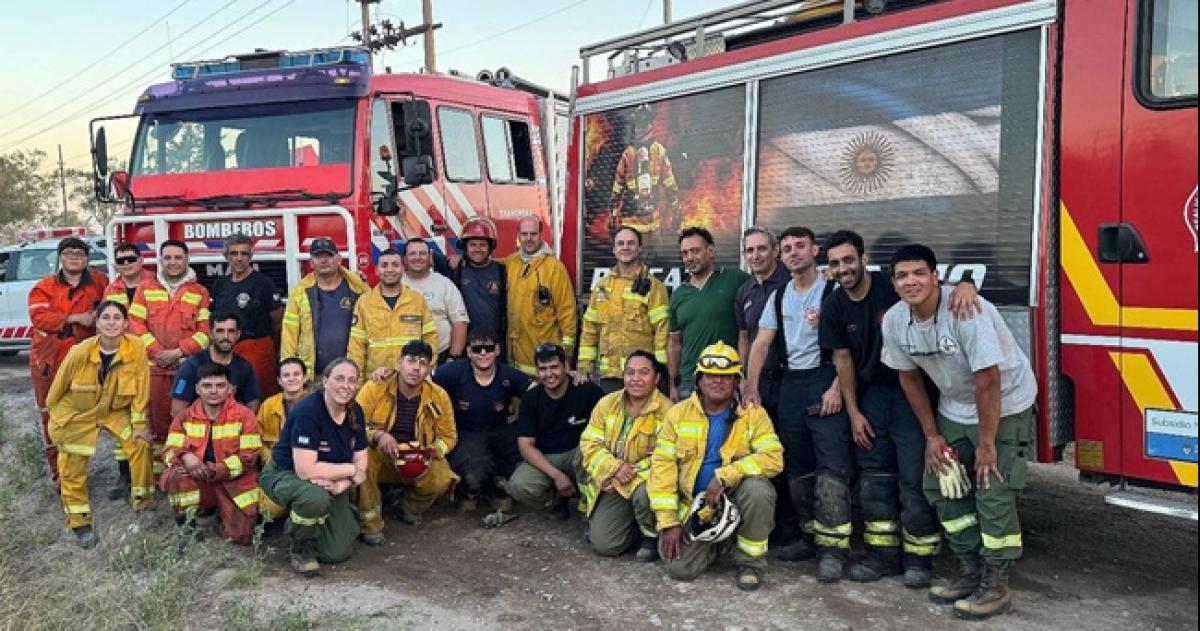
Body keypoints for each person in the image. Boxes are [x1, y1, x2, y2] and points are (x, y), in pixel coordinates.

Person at [881, 244, 1037, 620]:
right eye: (902, 275)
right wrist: (933, 436)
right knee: (941, 484)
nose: (911, 281)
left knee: (992, 487)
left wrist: (987, 445)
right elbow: (909, 378)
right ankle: (970, 569)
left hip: (1005, 403)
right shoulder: (895, 321)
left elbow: (988, 380)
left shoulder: (967, 310)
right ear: (894, 283)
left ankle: (996, 584)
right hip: (954, 406)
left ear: (936, 277)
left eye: (919, 273)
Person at [821, 231, 978, 587]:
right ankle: (882, 556)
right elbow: (843, 361)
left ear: (863, 259)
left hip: (912, 391)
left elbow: (927, 289)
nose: (843, 268)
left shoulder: (889, 286)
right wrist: (854, 412)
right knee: (875, 479)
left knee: (913, 479)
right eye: (835, 263)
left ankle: (919, 560)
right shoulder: (834, 306)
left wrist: (966, 285)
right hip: (871, 396)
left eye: (849, 260)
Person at [743, 226, 851, 580]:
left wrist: (838, 388)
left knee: (831, 467)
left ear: (815, 250)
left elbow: (848, 351)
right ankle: (809, 537)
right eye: (787, 247)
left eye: (799, 246)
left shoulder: (833, 291)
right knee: (798, 467)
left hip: (824, 379)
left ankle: (833, 550)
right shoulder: (778, 297)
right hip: (791, 384)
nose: (793, 252)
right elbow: (760, 344)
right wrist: (751, 388)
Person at [649, 342, 783, 591]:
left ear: (736, 382)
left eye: (725, 376)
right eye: (710, 375)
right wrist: (668, 522)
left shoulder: (753, 414)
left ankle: (750, 563)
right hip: (696, 507)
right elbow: (662, 470)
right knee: (680, 570)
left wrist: (725, 476)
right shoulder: (677, 414)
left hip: (734, 498)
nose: (717, 381)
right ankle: (721, 542)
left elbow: (774, 458)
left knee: (758, 490)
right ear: (699, 379)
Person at [45, 300, 153, 548]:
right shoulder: (80, 351)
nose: (112, 322)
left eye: (118, 317)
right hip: (79, 413)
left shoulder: (135, 347)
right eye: (106, 317)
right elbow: (55, 393)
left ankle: (144, 502)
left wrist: (139, 425)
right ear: (97, 322)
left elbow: (141, 389)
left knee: (140, 445)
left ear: (126, 323)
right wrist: (61, 422)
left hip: (114, 410)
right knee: (72, 466)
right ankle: (79, 521)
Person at [259, 358, 369, 576]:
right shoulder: (308, 412)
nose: (345, 386)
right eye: (339, 378)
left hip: (331, 479)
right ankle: (300, 547)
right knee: (314, 497)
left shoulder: (356, 411)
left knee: (337, 553)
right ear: (325, 381)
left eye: (351, 380)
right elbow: (305, 470)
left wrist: (341, 486)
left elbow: (362, 462)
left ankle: (328, 520)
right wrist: (350, 471)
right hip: (286, 473)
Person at [734, 225, 799, 546]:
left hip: (789, 383)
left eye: (762, 248)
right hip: (757, 389)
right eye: (750, 250)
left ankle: (791, 526)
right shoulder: (745, 291)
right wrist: (745, 379)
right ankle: (764, 523)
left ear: (775, 252)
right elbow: (744, 338)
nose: (756, 255)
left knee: (786, 455)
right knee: (757, 454)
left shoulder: (791, 284)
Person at [355, 340, 457, 540]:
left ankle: (408, 506)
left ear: (429, 368)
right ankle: (371, 523)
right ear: (399, 363)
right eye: (410, 361)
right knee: (361, 461)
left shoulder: (439, 396)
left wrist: (431, 450)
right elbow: (353, 425)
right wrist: (377, 435)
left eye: (423, 362)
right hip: (381, 455)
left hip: (418, 457)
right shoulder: (375, 388)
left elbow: (449, 436)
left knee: (444, 476)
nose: (416, 368)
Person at [28, 236, 108, 485]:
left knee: (87, 414)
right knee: (52, 416)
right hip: (50, 359)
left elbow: (113, 303)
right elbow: (39, 318)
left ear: (87, 258)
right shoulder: (44, 287)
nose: (75, 257)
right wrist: (75, 318)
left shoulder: (99, 281)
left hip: (87, 357)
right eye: (69, 252)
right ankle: (60, 475)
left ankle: (80, 471)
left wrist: (98, 316)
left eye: (80, 253)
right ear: (60, 257)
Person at [128, 239, 210, 478]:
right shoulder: (145, 288)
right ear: (160, 261)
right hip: (154, 369)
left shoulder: (199, 292)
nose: (173, 262)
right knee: (156, 422)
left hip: (187, 368)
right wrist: (157, 352)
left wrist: (178, 352)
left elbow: (205, 333)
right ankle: (159, 475)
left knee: (190, 420)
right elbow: (135, 326)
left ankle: (187, 471)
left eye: (178, 257)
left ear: (187, 260)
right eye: (168, 258)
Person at [578, 351, 672, 559]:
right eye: (630, 373)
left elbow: (666, 459)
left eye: (644, 373)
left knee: (643, 495)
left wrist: (625, 474)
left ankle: (651, 534)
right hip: (614, 479)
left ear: (656, 378)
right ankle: (630, 527)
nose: (636, 379)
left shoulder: (669, 412)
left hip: (644, 483)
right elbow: (589, 443)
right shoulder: (607, 404)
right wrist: (612, 469)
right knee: (605, 546)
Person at [159, 363, 262, 545]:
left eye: (220, 385)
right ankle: (187, 527)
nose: (213, 391)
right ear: (197, 389)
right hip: (197, 479)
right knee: (175, 475)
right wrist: (184, 457)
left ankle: (219, 513)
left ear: (230, 389)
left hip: (232, 482)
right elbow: (168, 452)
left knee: (240, 537)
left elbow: (248, 459)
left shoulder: (245, 416)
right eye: (207, 386)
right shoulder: (183, 417)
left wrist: (213, 470)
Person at [433, 328, 532, 512]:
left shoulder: (507, 374)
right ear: (469, 352)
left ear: (497, 350)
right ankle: (470, 490)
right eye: (477, 349)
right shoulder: (453, 372)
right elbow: (423, 382)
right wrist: (388, 374)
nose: (483, 353)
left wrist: (569, 379)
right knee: (474, 469)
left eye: (488, 348)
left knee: (523, 450)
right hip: (467, 433)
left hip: (500, 429)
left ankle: (498, 488)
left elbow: (536, 392)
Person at [507, 343, 604, 517]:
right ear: (537, 371)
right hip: (548, 457)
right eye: (543, 369)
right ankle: (557, 500)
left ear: (566, 366)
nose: (549, 374)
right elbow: (525, 446)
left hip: (580, 454)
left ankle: (590, 510)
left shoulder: (587, 391)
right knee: (518, 486)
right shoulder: (531, 398)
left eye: (554, 367)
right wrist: (556, 475)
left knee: (588, 451)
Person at [577, 226, 669, 393]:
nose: (625, 247)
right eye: (620, 243)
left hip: (641, 376)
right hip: (610, 377)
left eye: (631, 243)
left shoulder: (654, 287)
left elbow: (662, 333)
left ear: (640, 248)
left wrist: (661, 371)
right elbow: (590, 329)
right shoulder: (602, 287)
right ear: (614, 249)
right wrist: (585, 366)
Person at [667, 227, 749, 401]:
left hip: (726, 378)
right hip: (689, 382)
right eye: (685, 253)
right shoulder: (678, 294)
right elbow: (675, 342)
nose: (689, 257)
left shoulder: (735, 279)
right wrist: (672, 384)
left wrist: (743, 376)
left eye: (695, 251)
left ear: (710, 251)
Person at [280, 237, 368, 378]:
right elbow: (289, 335)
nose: (324, 260)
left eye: (329, 255)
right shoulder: (300, 292)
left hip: (351, 375)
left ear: (339, 259)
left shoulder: (358, 289)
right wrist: (288, 370)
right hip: (314, 376)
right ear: (311, 263)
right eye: (318, 256)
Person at [209, 233, 284, 399]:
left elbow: (277, 321)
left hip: (257, 347)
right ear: (225, 256)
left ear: (251, 256)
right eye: (234, 253)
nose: (239, 258)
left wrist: (274, 349)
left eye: (244, 253)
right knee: (225, 394)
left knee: (260, 394)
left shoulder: (264, 284)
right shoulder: (220, 285)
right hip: (225, 347)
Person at [348, 248, 437, 382]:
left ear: (403, 268)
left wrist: (427, 371)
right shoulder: (364, 303)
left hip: (411, 381)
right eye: (384, 265)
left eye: (395, 265)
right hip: (376, 382)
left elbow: (430, 340)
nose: (390, 270)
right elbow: (356, 348)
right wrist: (357, 384)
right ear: (377, 270)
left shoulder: (417, 300)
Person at [503, 216, 577, 377]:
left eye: (533, 234)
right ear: (518, 236)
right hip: (515, 360)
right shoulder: (510, 263)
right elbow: (484, 265)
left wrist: (566, 354)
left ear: (541, 235)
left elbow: (567, 312)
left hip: (547, 361)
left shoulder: (554, 268)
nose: (528, 238)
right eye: (524, 234)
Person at [169, 312, 261, 417]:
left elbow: (253, 408)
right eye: (220, 331)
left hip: (233, 430)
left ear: (238, 334)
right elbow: (177, 411)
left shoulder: (245, 367)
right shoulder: (190, 366)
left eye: (231, 331)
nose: (225, 337)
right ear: (211, 334)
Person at [258, 357, 310, 521]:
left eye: (296, 374)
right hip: (278, 466)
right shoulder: (269, 405)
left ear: (305, 378)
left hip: (311, 467)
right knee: (269, 511)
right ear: (279, 381)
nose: (292, 378)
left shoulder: (318, 403)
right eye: (286, 375)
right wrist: (268, 457)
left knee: (312, 504)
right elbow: (256, 438)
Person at [401, 238, 468, 364]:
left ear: (430, 257)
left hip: (441, 357)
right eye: (412, 254)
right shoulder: (396, 285)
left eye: (422, 253)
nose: (418, 257)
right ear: (404, 259)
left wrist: (452, 358)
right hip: (403, 359)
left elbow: (460, 323)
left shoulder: (444, 284)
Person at [452, 218, 508, 361]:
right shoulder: (456, 268)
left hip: (496, 345)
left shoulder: (503, 270)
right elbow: (421, 253)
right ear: (465, 247)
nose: (477, 249)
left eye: (482, 245)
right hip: (467, 346)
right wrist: (403, 219)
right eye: (472, 245)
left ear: (490, 247)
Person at [103, 242, 150, 306]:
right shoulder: (110, 290)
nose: (126, 263)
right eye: (121, 261)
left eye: (131, 259)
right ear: (116, 264)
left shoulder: (158, 282)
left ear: (141, 260)